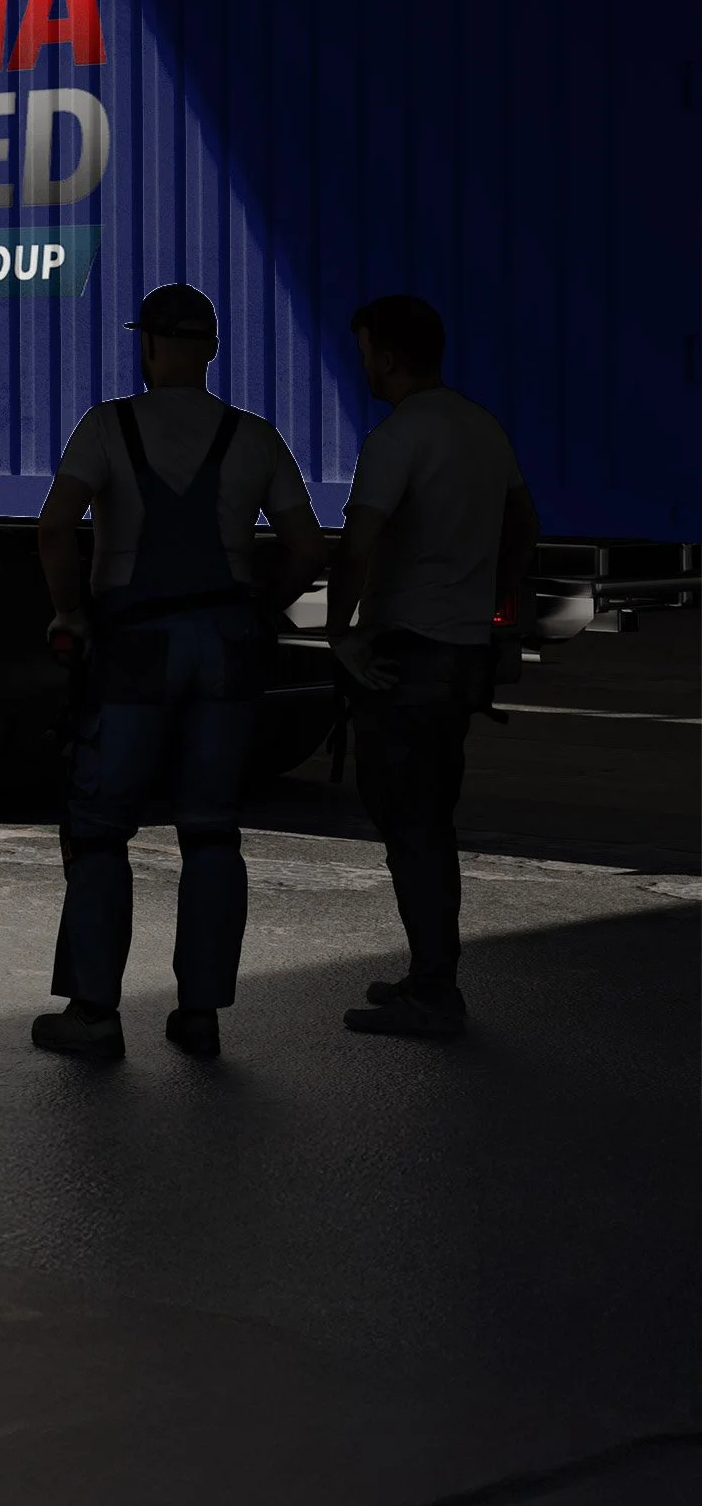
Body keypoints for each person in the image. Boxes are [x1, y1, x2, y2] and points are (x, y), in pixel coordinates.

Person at [31, 284, 326, 1062]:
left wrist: (70, 613)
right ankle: (199, 1015)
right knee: (210, 831)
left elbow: (56, 527)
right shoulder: (254, 438)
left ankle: (94, 1015)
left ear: (149, 345)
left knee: (100, 833)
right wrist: (261, 608)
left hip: (134, 647)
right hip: (224, 648)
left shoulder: (107, 427)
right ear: (213, 350)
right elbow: (307, 548)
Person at [329, 294, 539, 1040]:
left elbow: (358, 541)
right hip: (458, 655)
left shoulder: (398, 436)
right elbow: (525, 523)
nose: (362, 364)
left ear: (387, 357)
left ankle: (434, 991)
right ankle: (428, 972)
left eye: (364, 351)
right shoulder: (481, 427)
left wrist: (341, 634)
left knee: (408, 821)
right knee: (428, 818)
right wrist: (493, 597)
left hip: (406, 655)